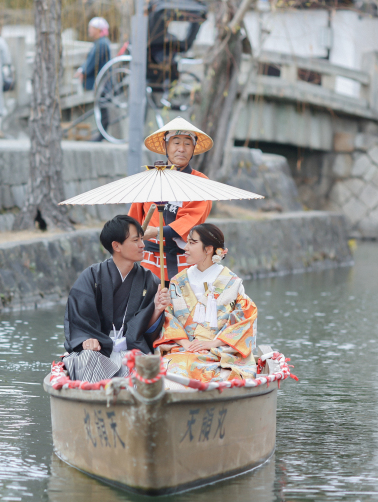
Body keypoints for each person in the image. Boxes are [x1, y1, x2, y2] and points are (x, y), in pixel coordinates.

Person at [62, 215, 171, 382]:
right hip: (100, 350)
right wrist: (85, 339)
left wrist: (156, 309)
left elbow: (147, 330)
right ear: (116, 246)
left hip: (133, 349)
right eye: (136, 240)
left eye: (142, 239)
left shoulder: (150, 281)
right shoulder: (92, 277)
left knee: (144, 366)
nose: (143, 245)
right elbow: (79, 318)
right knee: (87, 358)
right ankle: (96, 402)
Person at [153, 224, 258, 382]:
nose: (185, 248)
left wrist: (212, 343)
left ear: (208, 249)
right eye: (187, 242)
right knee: (175, 366)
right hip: (183, 347)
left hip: (220, 349)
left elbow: (244, 320)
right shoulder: (177, 281)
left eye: (192, 243)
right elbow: (168, 317)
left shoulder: (232, 282)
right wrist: (186, 343)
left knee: (222, 372)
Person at [128, 117, 213, 282]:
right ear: (166, 146)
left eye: (187, 143)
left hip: (185, 262)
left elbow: (190, 221)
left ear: (193, 148)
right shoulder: (149, 178)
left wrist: (157, 231)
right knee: (148, 306)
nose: (181, 149)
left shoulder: (200, 182)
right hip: (148, 261)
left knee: (182, 307)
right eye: (176, 142)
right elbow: (133, 220)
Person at [74, 17, 112, 141]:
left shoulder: (101, 43)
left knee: (102, 107)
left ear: (97, 29)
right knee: (101, 107)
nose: (89, 30)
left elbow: (92, 62)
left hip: (102, 81)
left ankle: (102, 134)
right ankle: (102, 134)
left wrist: (83, 71)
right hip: (101, 81)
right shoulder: (101, 42)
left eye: (91, 28)